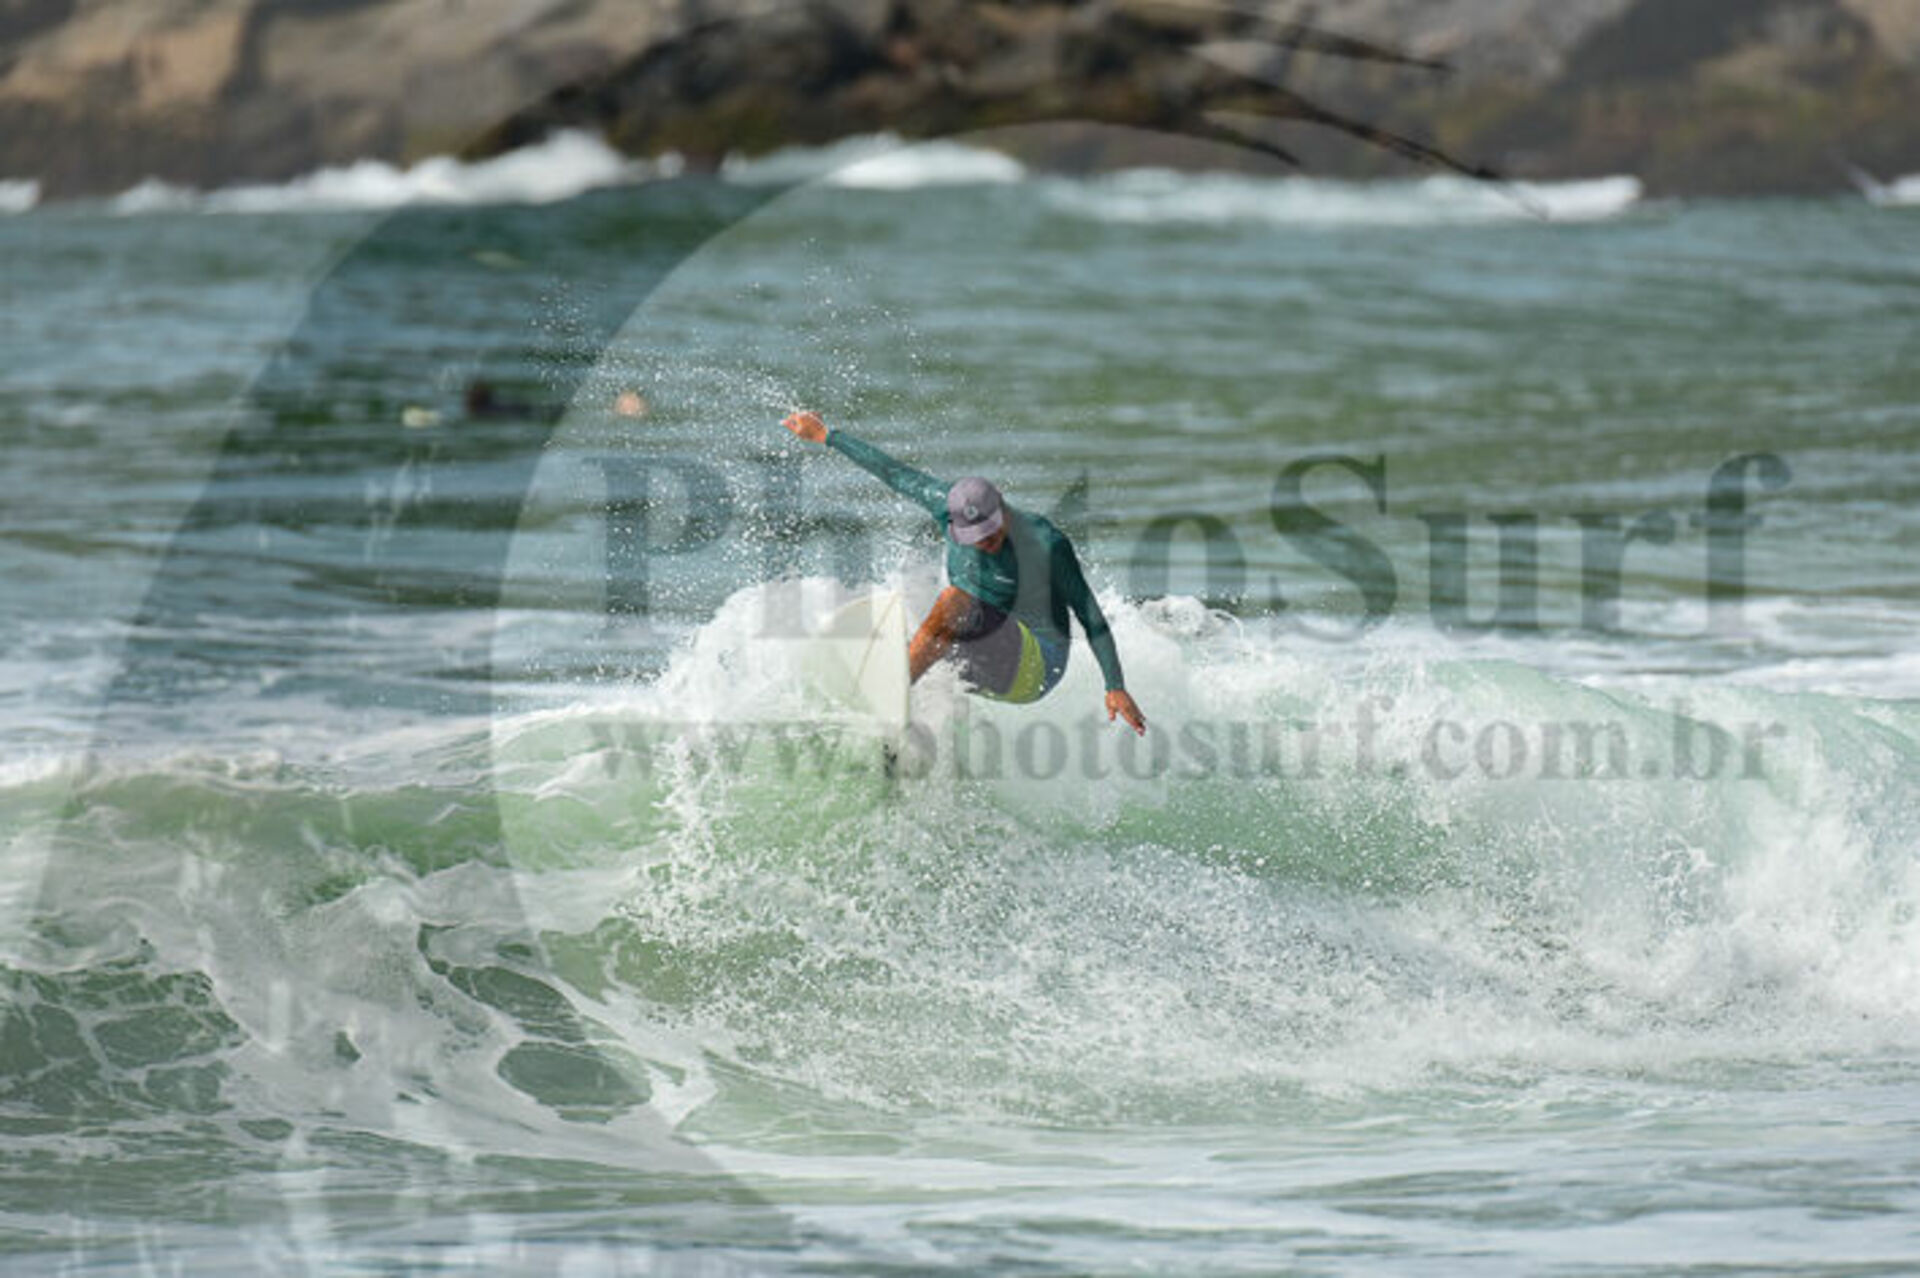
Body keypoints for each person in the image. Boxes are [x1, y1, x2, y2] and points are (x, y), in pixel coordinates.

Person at [782, 411, 1147, 735]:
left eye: (990, 533)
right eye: (973, 537)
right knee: (914, 637)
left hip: (1038, 666)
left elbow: (1090, 615)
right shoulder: (945, 504)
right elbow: (893, 472)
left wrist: (1114, 685)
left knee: (953, 601)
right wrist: (827, 436)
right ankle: (909, 740)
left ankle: (891, 700)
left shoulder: (1044, 543)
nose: (983, 544)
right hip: (987, 653)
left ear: (1001, 506)